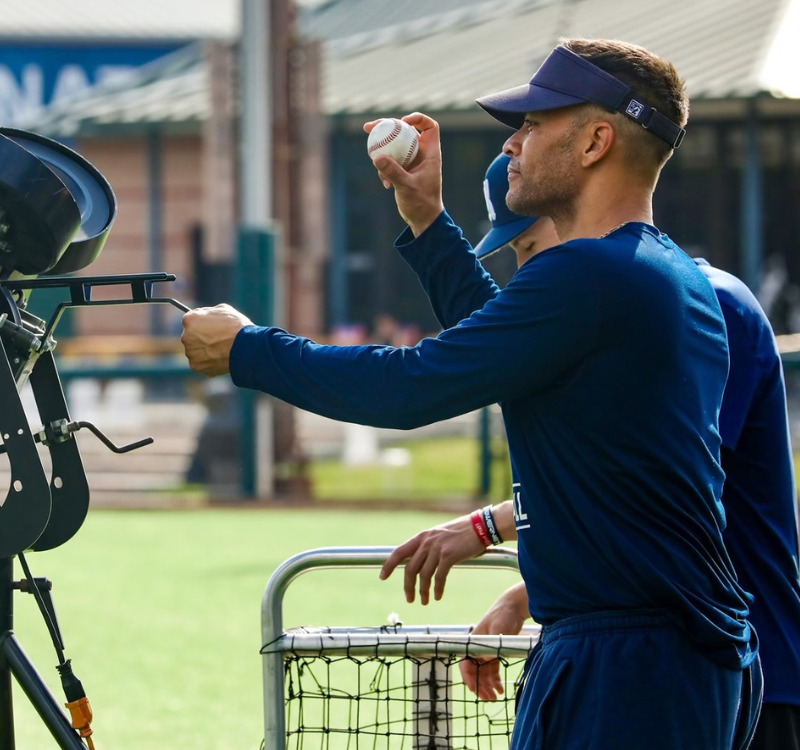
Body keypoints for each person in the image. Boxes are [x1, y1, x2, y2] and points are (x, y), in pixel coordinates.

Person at [181, 39, 762, 748]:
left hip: (631, 662)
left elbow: (408, 388)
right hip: (648, 653)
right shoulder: (656, 269)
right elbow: (498, 355)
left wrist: (247, 350)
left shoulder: (594, 274)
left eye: (534, 124)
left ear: (595, 142)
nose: (513, 143)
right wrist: (427, 220)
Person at [390, 150, 800, 748]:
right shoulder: (615, 309)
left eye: (529, 250)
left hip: (742, 667)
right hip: (671, 654)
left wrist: (490, 530)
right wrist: (530, 589)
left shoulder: (703, 301)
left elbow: (673, 488)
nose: (524, 275)